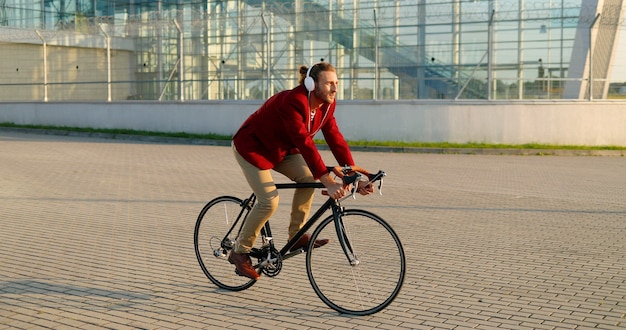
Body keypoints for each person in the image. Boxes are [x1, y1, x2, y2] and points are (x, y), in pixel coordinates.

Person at [229, 62, 373, 280]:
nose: (335, 89)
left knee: (308, 178)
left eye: (336, 83)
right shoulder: (293, 102)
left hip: (282, 150)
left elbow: (335, 138)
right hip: (253, 148)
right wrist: (327, 180)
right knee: (269, 201)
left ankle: (296, 235)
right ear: (311, 84)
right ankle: (239, 252)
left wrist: (354, 176)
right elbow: (304, 143)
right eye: (329, 84)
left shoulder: (327, 105)